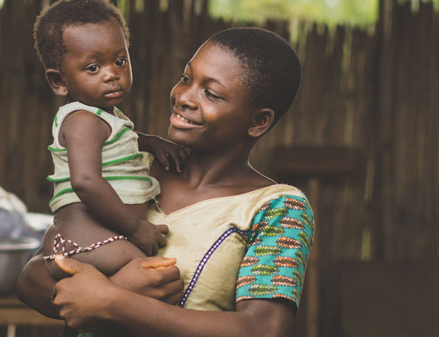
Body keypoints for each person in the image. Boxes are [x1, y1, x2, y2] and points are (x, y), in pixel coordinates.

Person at [17, 26, 314, 337]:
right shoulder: (130, 168)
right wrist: (111, 291)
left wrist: (114, 301)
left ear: (258, 122)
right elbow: (32, 276)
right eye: (186, 78)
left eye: (210, 93)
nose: (183, 97)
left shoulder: (278, 209)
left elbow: (262, 329)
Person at [33, 0, 188, 281]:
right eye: (93, 67)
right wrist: (135, 228)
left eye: (120, 61)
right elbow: (85, 181)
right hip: (90, 240)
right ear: (59, 82)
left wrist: (151, 142)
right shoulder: (82, 120)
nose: (111, 74)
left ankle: (78, 275)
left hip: (97, 238)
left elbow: (119, 140)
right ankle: (77, 273)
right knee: (155, 277)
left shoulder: (102, 117)